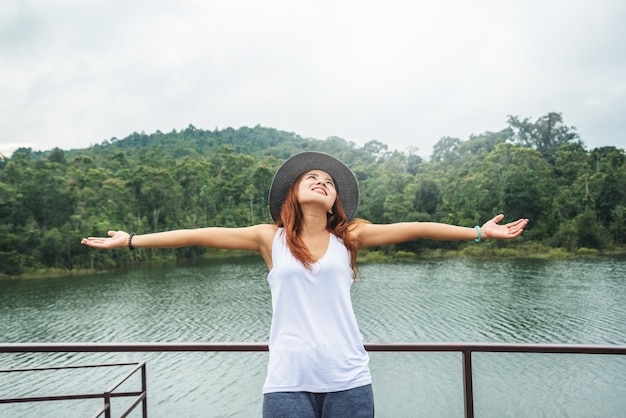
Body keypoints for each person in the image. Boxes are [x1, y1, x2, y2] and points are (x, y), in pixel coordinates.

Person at [81, 151, 528, 418]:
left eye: (329, 182)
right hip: (288, 379)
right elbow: (198, 234)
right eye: (312, 178)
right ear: (294, 192)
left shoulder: (348, 237)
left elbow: (415, 227)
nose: (322, 182)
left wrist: (477, 232)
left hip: (348, 376)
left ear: (336, 201)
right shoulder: (267, 239)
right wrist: (132, 240)